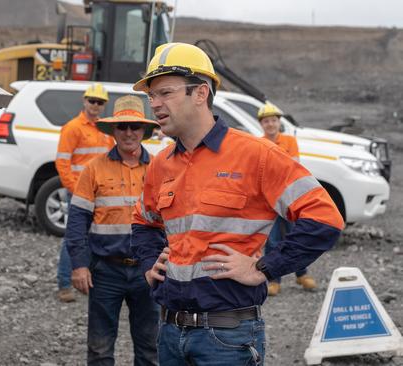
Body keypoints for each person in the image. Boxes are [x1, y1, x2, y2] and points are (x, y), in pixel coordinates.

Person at [130, 43, 344, 365]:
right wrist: (149, 263)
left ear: (200, 93)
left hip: (227, 338)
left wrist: (263, 268)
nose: (155, 104)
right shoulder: (161, 164)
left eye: (165, 93)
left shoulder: (255, 155)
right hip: (171, 332)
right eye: (151, 96)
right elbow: (143, 221)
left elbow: (325, 219)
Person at [66, 95, 159, 365]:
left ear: (144, 131)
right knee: (100, 348)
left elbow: (172, 222)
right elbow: (77, 221)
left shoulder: (159, 169)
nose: (129, 133)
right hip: (105, 271)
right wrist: (79, 265)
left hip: (148, 271)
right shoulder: (93, 170)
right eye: (122, 127)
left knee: (150, 347)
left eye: (135, 127)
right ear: (113, 131)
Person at [55, 83, 114, 302]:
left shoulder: (105, 129)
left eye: (100, 102)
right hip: (80, 194)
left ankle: (88, 280)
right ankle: (64, 284)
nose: (96, 105)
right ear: (84, 101)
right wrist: (74, 189)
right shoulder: (73, 128)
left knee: (96, 237)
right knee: (74, 237)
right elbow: (62, 163)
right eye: (92, 101)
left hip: (101, 194)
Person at [258, 102, 317, 296]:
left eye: (273, 120)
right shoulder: (259, 143)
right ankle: (274, 279)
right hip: (270, 200)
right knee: (273, 241)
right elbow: (261, 171)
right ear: (262, 124)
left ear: (279, 122)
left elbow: (293, 166)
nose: (271, 124)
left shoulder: (290, 141)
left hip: (290, 197)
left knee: (295, 236)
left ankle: (302, 274)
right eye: (267, 121)